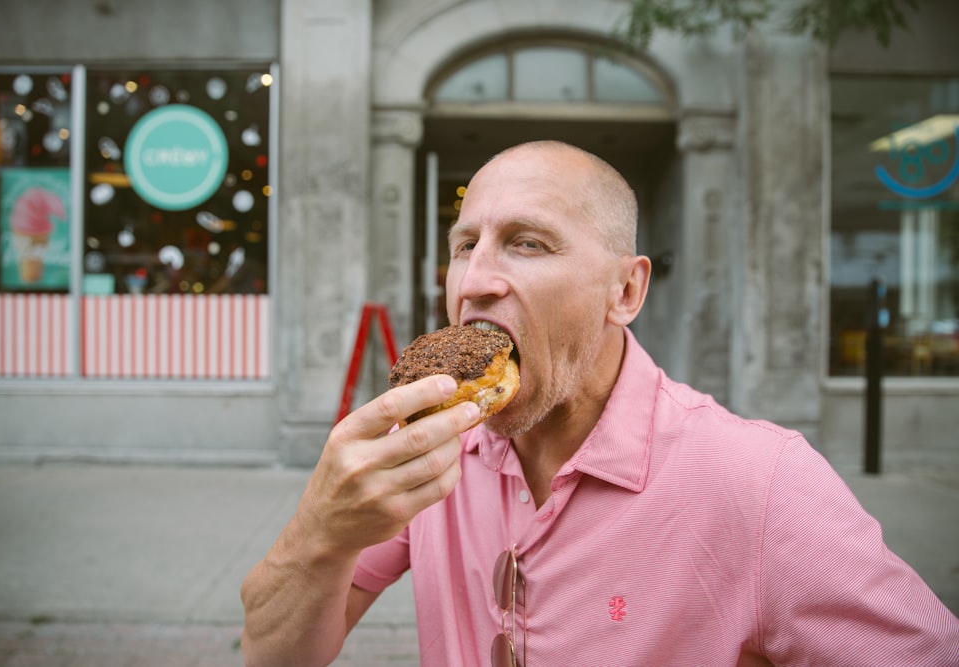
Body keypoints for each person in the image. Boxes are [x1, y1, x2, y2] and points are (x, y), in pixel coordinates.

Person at [240, 140, 959, 666]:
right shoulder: (429, 452)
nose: (477, 278)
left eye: (526, 243)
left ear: (626, 291)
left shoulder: (760, 481)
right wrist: (320, 532)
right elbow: (272, 654)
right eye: (465, 244)